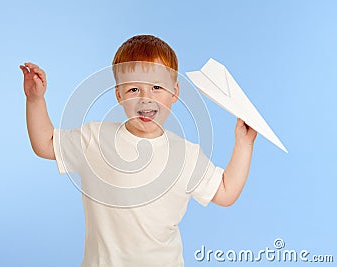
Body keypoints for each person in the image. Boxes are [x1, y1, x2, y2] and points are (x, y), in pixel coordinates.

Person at [20, 34, 257, 267]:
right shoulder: (95, 138)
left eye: (156, 87)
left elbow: (225, 192)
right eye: (134, 89)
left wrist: (244, 143)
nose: (146, 99)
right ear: (118, 95)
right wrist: (35, 100)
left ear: (174, 92)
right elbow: (46, 143)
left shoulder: (186, 154)